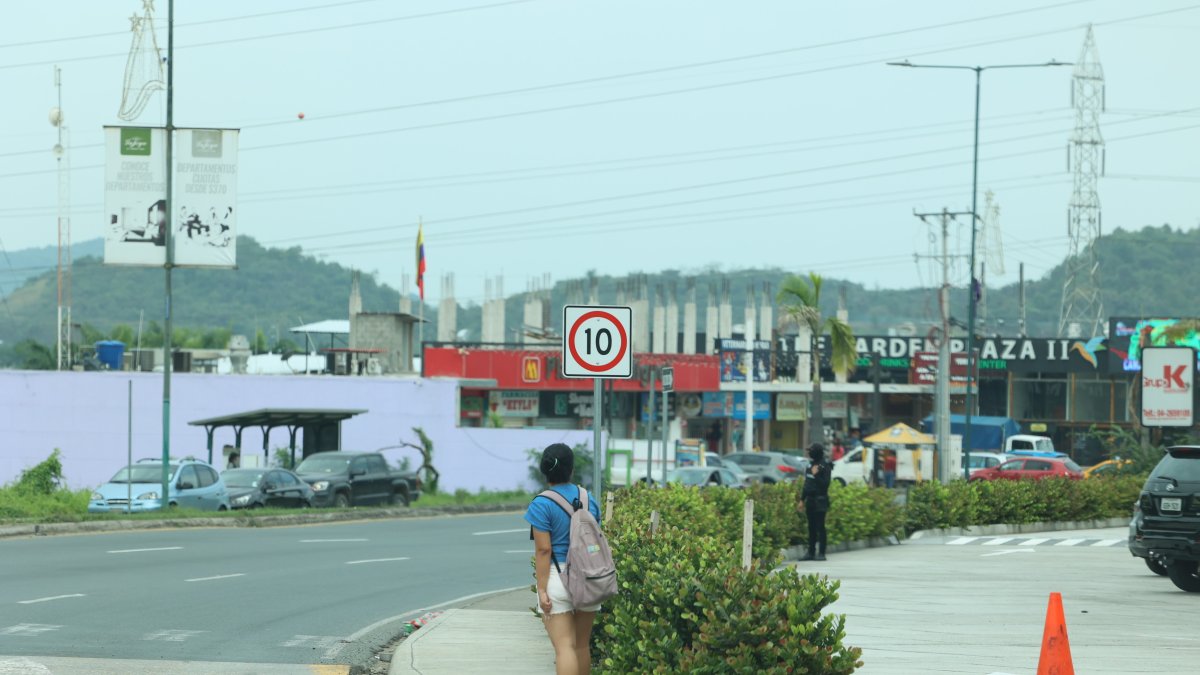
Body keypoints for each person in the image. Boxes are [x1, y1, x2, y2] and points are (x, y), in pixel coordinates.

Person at [525, 443, 602, 675]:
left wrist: (541, 589)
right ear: (572, 468)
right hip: (589, 577)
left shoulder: (541, 504)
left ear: (544, 470)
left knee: (564, 648)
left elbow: (544, 550)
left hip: (558, 579)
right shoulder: (589, 499)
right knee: (581, 645)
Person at [800, 443, 832, 561]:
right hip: (810, 500)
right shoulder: (811, 465)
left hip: (820, 500)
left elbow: (825, 484)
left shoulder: (824, 466)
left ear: (817, 452)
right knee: (811, 528)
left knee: (820, 527)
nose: (809, 453)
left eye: (811, 451)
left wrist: (817, 475)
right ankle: (810, 552)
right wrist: (802, 499)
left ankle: (821, 553)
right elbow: (807, 483)